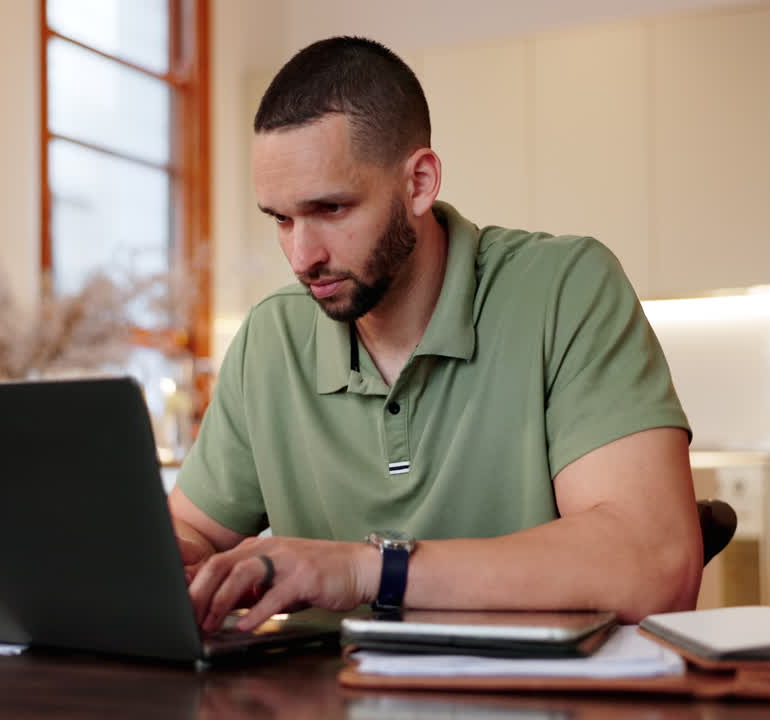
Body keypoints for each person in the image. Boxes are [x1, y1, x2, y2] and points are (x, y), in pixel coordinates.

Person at [169, 36, 701, 633]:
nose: (302, 255)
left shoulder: (565, 289)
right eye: (282, 219)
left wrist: (365, 570)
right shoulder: (271, 338)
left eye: (331, 210)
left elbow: (657, 566)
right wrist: (172, 559)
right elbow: (192, 528)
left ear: (419, 182)